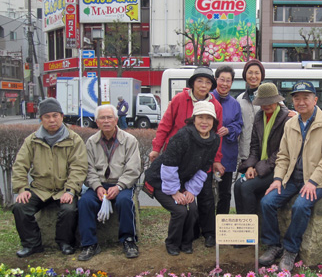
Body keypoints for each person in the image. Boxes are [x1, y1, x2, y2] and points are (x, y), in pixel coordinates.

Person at [258, 81, 322, 271]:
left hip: (317, 182)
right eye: (297, 98)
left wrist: (313, 181)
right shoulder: (291, 123)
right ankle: (273, 245)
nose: (301, 102)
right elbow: (283, 155)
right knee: (267, 202)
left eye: (306, 97)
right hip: (291, 179)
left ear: (315, 100)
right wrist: (278, 178)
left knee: (301, 206)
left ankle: (290, 250)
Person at [149, 66, 224, 247]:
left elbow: (216, 136)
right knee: (181, 202)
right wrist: (156, 148)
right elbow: (165, 125)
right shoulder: (179, 99)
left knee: (205, 197)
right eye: (199, 81)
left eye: (207, 82)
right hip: (176, 158)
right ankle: (181, 238)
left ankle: (208, 233)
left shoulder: (216, 106)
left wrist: (216, 160)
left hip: (201, 159)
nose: (203, 85)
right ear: (192, 83)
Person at [11, 98, 87, 257]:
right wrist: (22, 188)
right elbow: (20, 165)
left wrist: (71, 190)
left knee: (69, 209)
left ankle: (65, 242)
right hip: (40, 189)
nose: (52, 120)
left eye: (55, 115)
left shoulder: (74, 140)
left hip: (63, 189)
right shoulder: (32, 140)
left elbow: (78, 167)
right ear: (41, 119)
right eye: (47, 117)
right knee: (20, 208)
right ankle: (31, 245)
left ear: (62, 116)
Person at [77, 104, 142, 261]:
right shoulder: (91, 142)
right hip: (99, 184)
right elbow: (89, 169)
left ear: (116, 120)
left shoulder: (129, 140)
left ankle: (128, 241)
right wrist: (97, 186)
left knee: (125, 200)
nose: (106, 121)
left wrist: (119, 186)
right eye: (102, 118)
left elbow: (133, 169)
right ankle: (89, 244)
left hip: (122, 184)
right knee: (85, 202)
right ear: (97, 122)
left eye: (109, 117)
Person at [234, 83, 290, 216]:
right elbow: (254, 147)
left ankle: (252, 230)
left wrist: (258, 169)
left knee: (247, 187)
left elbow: (281, 151)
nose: (266, 105)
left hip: (277, 168)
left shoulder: (287, 118)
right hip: (260, 165)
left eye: (269, 102)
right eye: (263, 102)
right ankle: (242, 226)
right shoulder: (259, 116)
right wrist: (250, 167)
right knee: (237, 185)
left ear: (277, 101)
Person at [212, 66, 243, 215]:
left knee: (225, 193)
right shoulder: (208, 99)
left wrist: (229, 129)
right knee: (206, 193)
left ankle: (221, 222)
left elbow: (239, 124)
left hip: (227, 153)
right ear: (216, 79)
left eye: (228, 81)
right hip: (209, 153)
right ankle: (205, 227)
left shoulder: (235, 104)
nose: (225, 84)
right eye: (222, 80)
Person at [237, 59, 266, 165]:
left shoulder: (269, 96)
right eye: (250, 72)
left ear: (262, 76)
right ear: (245, 75)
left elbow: (283, 112)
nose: (253, 76)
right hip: (245, 152)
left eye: (257, 73)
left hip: (264, 152)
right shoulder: (240, 99)